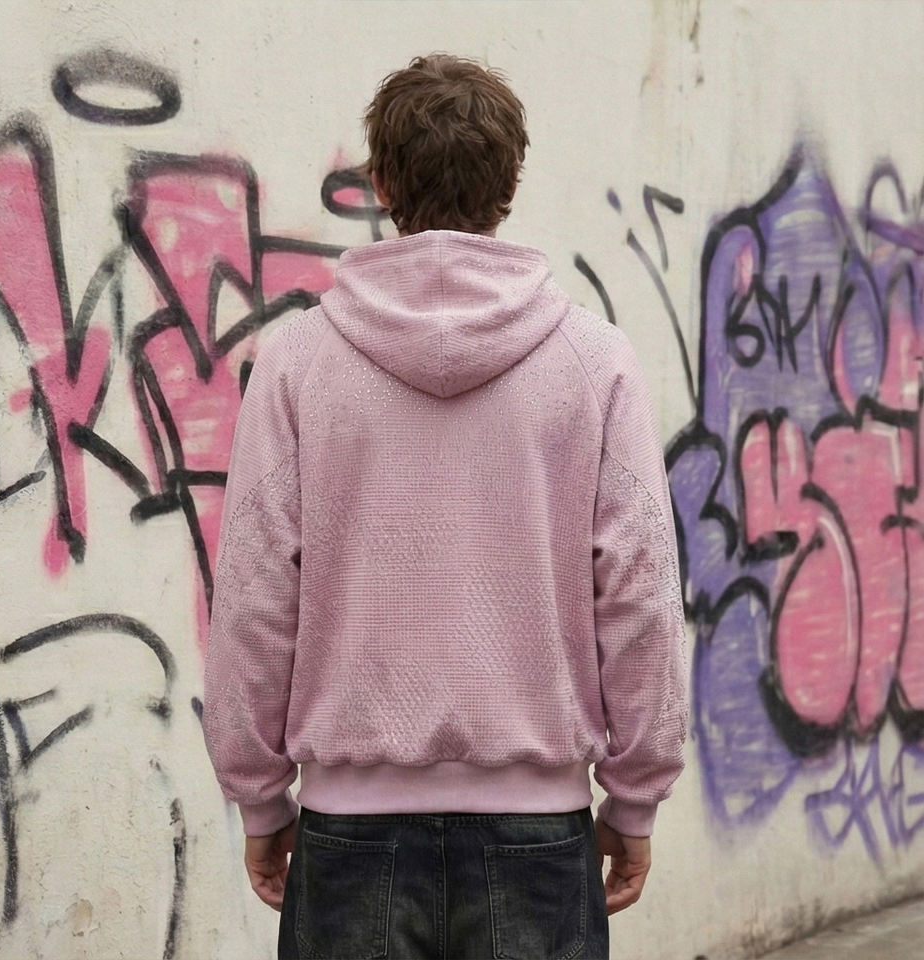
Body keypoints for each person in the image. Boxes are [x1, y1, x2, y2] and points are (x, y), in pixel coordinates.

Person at [202, 53, 687, 960]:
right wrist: (634, 798)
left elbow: (255, 595)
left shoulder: (299, 362)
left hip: (350, 836)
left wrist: (260, 800)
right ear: (509, 186)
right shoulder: (594, 362)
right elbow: (641, 594)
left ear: (382, 184)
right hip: (540, 836)